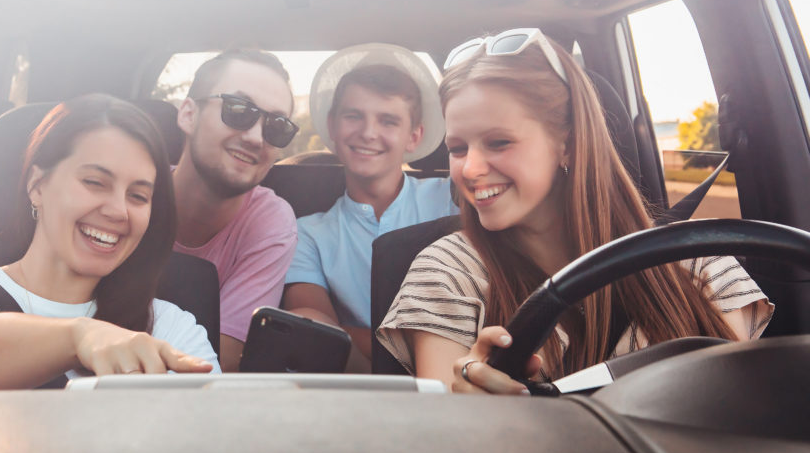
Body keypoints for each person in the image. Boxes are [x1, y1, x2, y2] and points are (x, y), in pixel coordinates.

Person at [377, 28, 773, 392]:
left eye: (498, 142)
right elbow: (441, 439)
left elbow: (738, 415)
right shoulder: (446, 272)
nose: (471, 168)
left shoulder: (697, 258)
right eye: (458, 148)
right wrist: (469, 406)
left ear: (567, 144)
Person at [0, 95, 219, 391]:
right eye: (94, 182)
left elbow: (215, 435)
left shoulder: (170, 327)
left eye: (138, 195)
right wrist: (80, 336)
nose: (119, 211)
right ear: (37, 185)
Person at [283, 44, 457, 371]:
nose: (368, 133)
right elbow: (314, 332)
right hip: (356, 385)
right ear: (333, 126)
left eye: (388, 121)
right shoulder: (307, 233)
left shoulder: (451, 199)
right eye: (354, 116)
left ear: (413, 136)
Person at [172, 49, 300, 372]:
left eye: (277, 126)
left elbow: (214, 366)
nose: (256, 137)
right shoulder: (131, 190)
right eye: (239, 110)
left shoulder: (270, 221)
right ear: (188, 114)